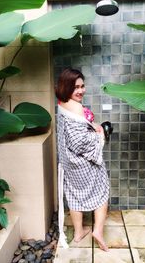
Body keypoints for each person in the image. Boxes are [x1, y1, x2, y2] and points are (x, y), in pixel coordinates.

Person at [55, 68, 109, 252]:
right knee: (102, 190)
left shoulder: (62, 103)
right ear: (66, 86)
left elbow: (72, 131)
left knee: (74, 195)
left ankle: (78, 233)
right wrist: (100, 134)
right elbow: (81, 143)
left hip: (69, 162)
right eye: (75, 87)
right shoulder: (76, 107)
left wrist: (91, 126)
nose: (80, 91)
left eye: (82, 86)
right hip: (83, 162)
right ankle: (98, 231)